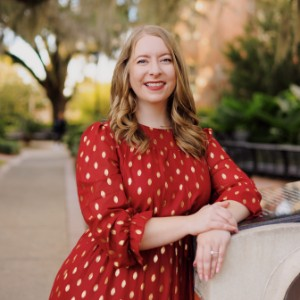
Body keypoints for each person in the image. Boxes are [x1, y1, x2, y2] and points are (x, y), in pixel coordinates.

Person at [49, 25, 261, 300]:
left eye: (165, 59)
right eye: (142, 61)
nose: (155, 70)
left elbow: (244, 191)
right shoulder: (103, 139)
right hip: (108, 287)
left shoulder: (199, 141)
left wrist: (217, 225)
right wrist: (192, 223)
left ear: (177, 71)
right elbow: (116, 231)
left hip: (175, 287)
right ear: (126, 72)